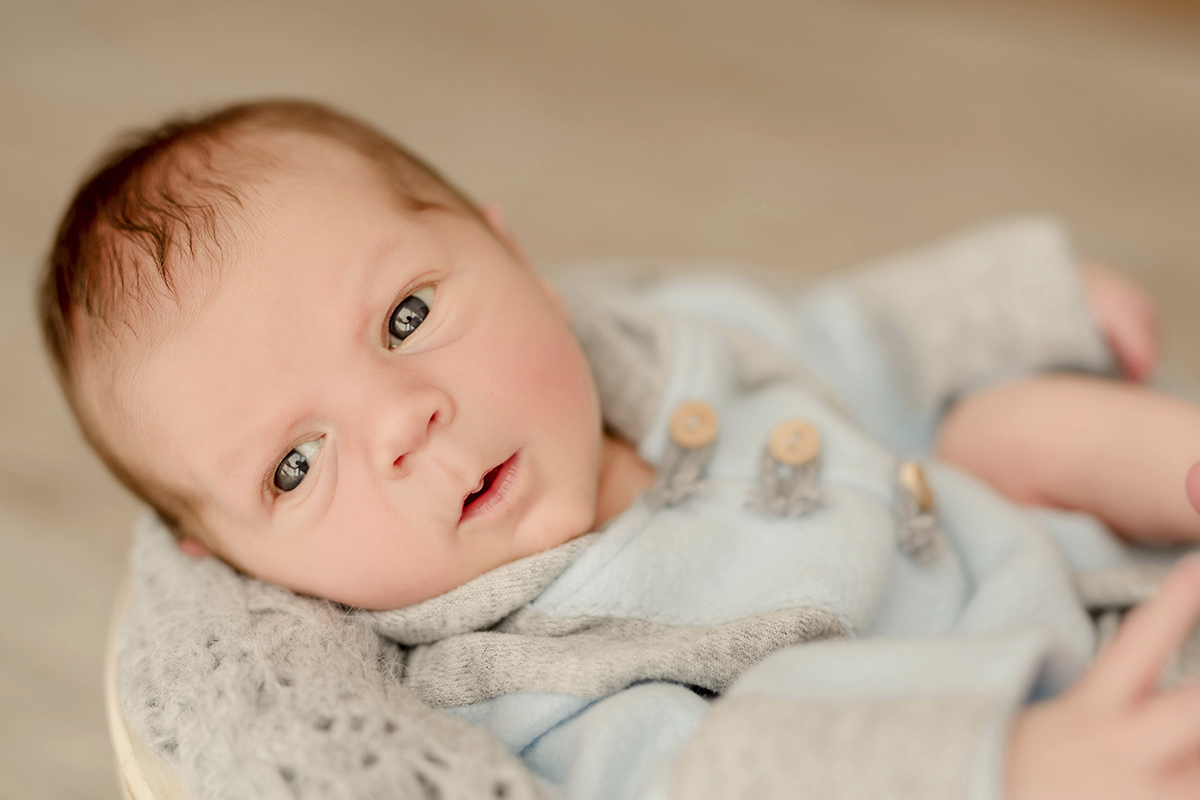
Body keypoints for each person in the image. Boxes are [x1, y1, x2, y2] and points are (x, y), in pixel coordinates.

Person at [38, 99, 1200, 799]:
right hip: (1003, 736)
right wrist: (1001, 766)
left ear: (519, 263)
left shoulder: (670, 346)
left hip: (1050, 558)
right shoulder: (509, 678)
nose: (401, 421)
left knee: (1008, 419)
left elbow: (858, 335)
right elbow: (716, 779)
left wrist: (1022, 301)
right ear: (235, 559)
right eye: (295, 464)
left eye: (405, 317)